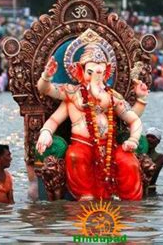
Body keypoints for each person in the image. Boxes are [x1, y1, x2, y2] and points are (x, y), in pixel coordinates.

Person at [35, 30, 147, 201]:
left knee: (128, 162)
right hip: (83, 145)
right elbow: (47, 94)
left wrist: (133, 137)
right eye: (90, 72)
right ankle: (86, 198)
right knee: (75, 156)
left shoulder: (112, 96)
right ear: (81, 71)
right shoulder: (73, 94)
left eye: (100, 72)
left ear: (106, 72)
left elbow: (132, 118)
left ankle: (130, 204)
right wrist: (47, 76)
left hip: (109, 146)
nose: (95, 77)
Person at [145, 128, 163, 195]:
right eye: (147, 137)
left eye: (153, 137)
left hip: (150, 190)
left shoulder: (160, 157)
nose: (149, 139)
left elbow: (152, 173)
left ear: (158, 141)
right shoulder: (137, 154)